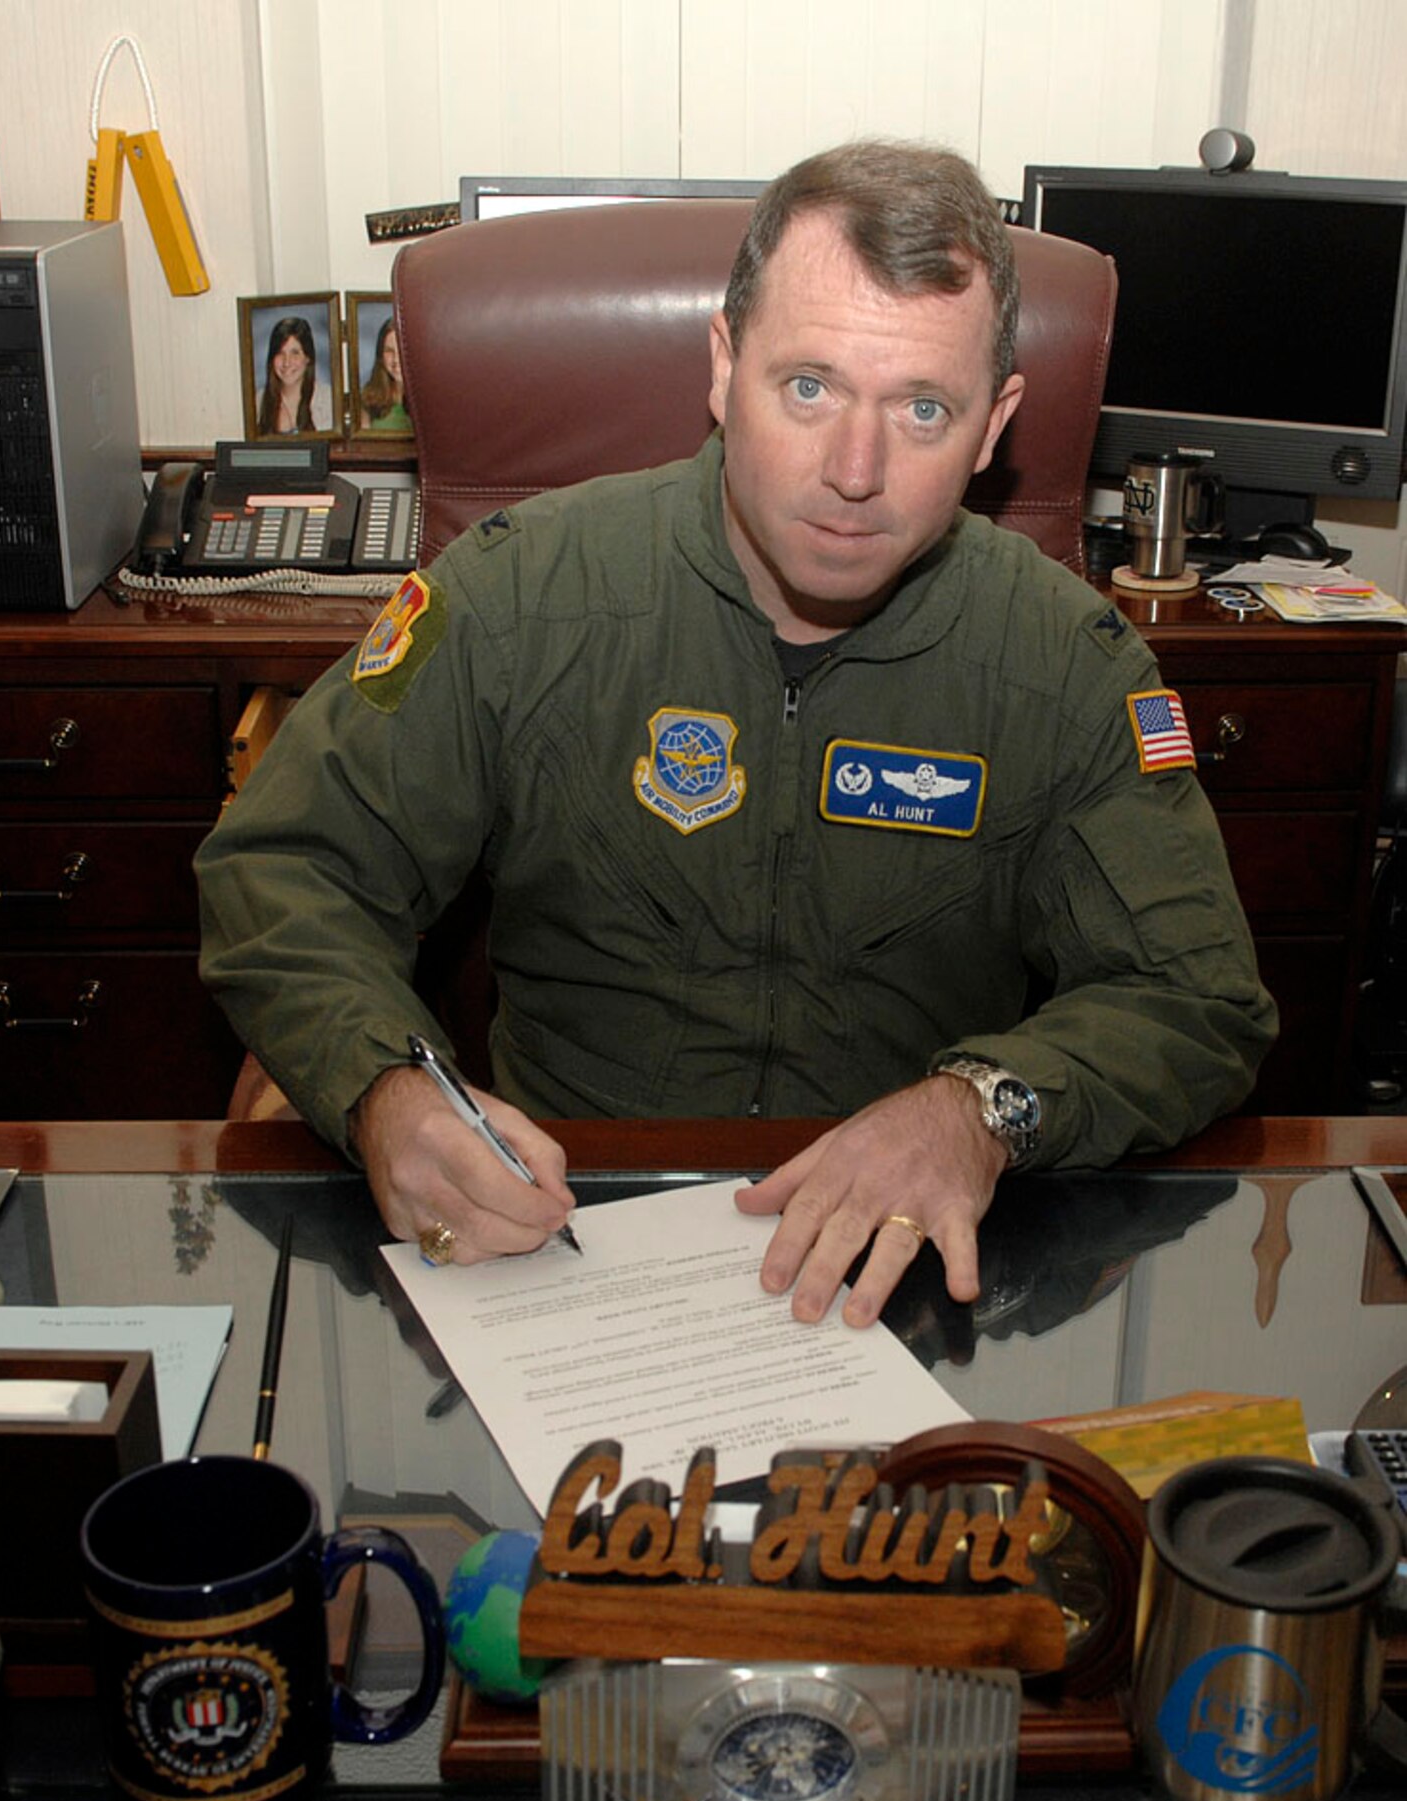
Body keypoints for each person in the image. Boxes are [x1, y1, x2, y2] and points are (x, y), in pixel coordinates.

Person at [198, 139, 1276, 1329]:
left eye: (922, 408)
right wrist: (383, 1088)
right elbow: (284, 866)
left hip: (895, 1276)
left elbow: (1198, 997)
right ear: (722, 366)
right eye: (807, 388)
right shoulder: (522, 596)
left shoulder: (1063, 662)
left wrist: (981, 1108)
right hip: (562, 1248)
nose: (854, 472)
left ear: (992, 426)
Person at [256, 313, 332, 436]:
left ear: (308, 358)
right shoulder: (258, 402)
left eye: (295, 353)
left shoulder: (327, 399)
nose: (287, 362)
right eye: (280, 353)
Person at [360, 315, 409, 432]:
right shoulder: (367, 399)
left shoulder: (431, 396)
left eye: (402, 351)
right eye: (389, 351)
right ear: (380, 355)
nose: (396, 360)